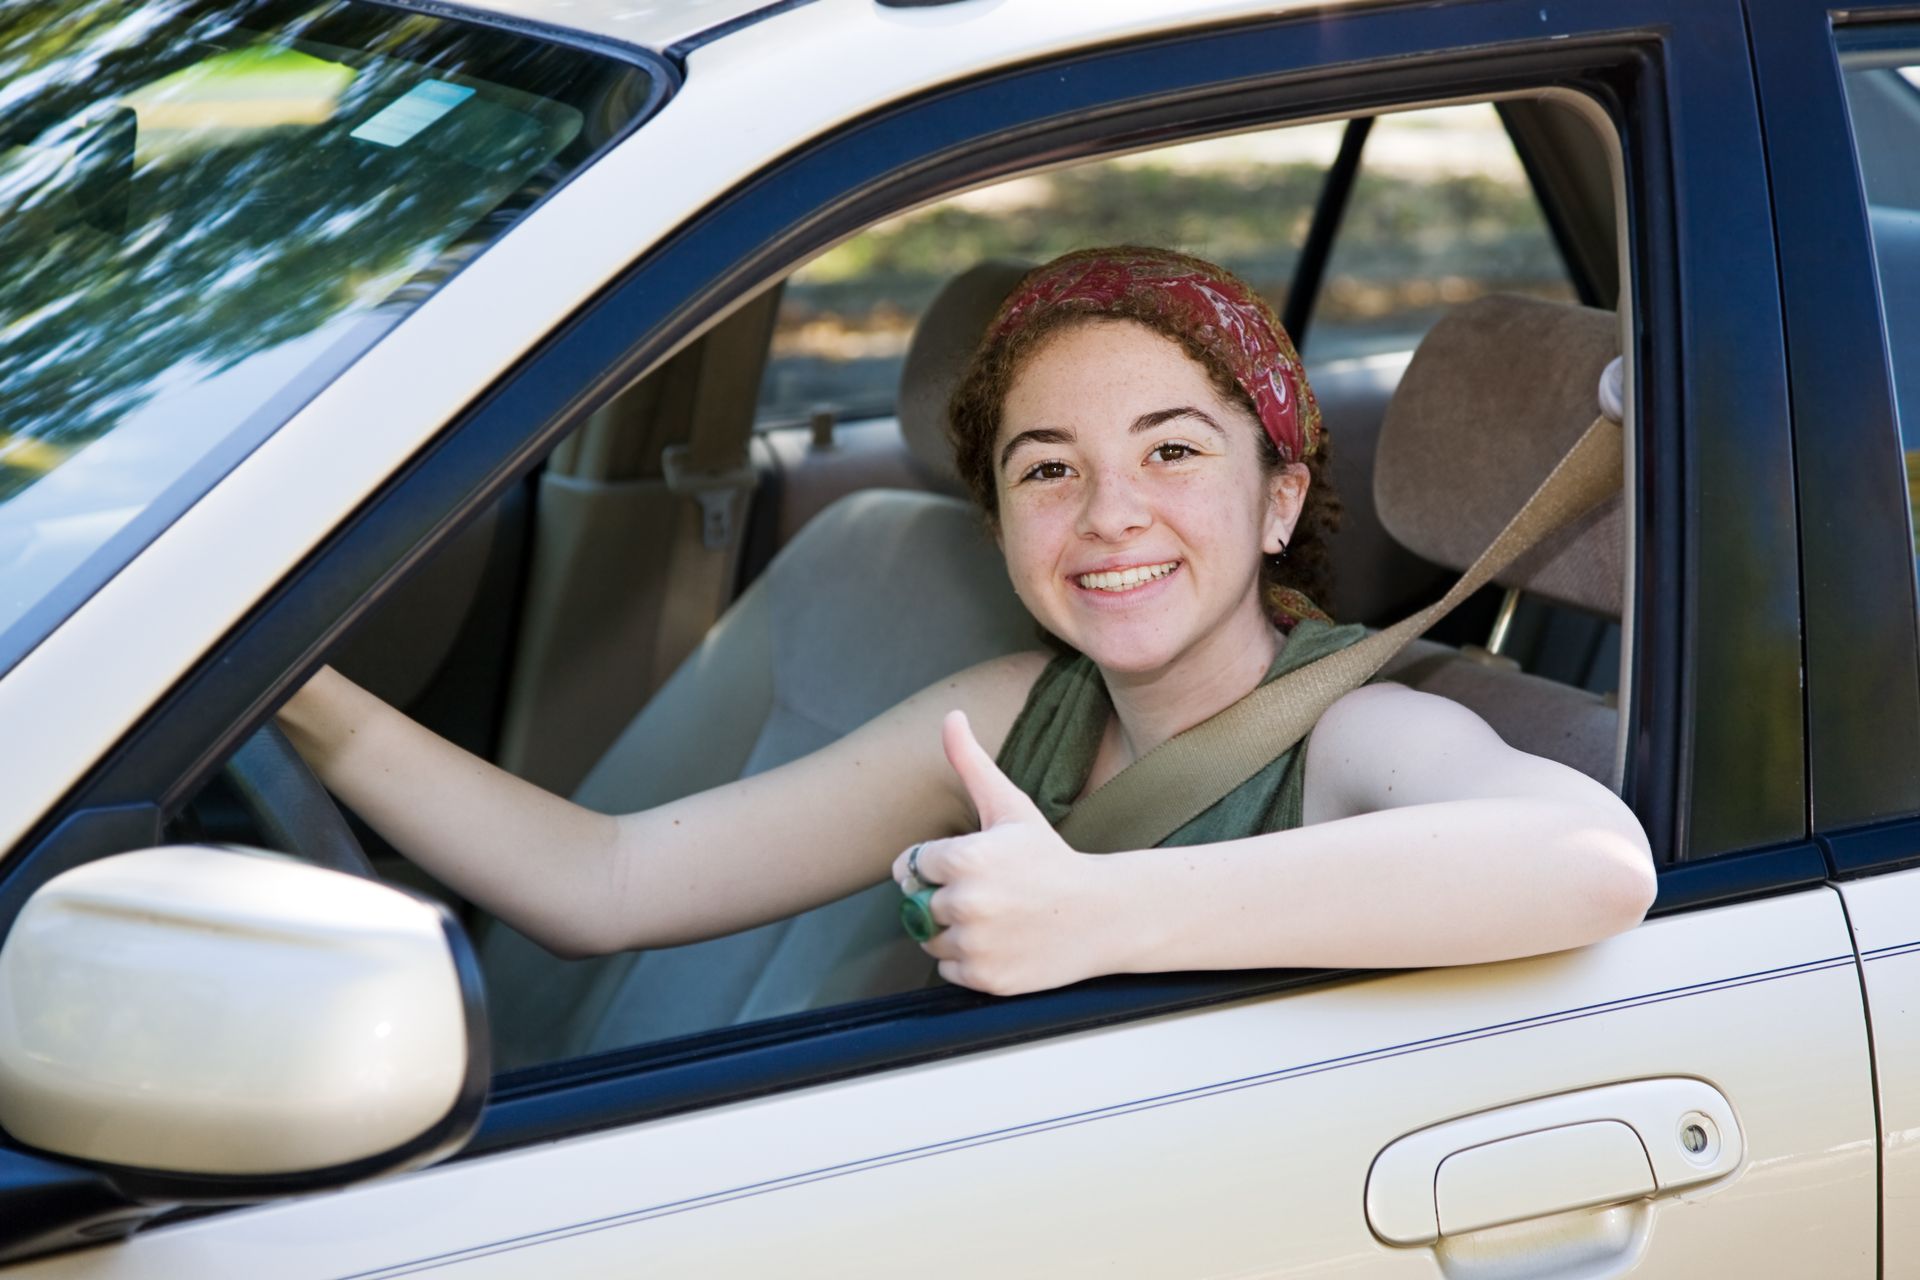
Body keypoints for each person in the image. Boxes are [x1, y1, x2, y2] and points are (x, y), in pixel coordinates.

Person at [277, 245, 1655, 999]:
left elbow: (1592, 862)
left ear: (1281, 498)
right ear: (1000, 528)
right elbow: (610, 884)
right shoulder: (1006, 714)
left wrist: (1099, 914)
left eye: (1174, 452)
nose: (1109, 512)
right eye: (1047, 469)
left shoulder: (1363, 736)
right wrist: (287, 691)